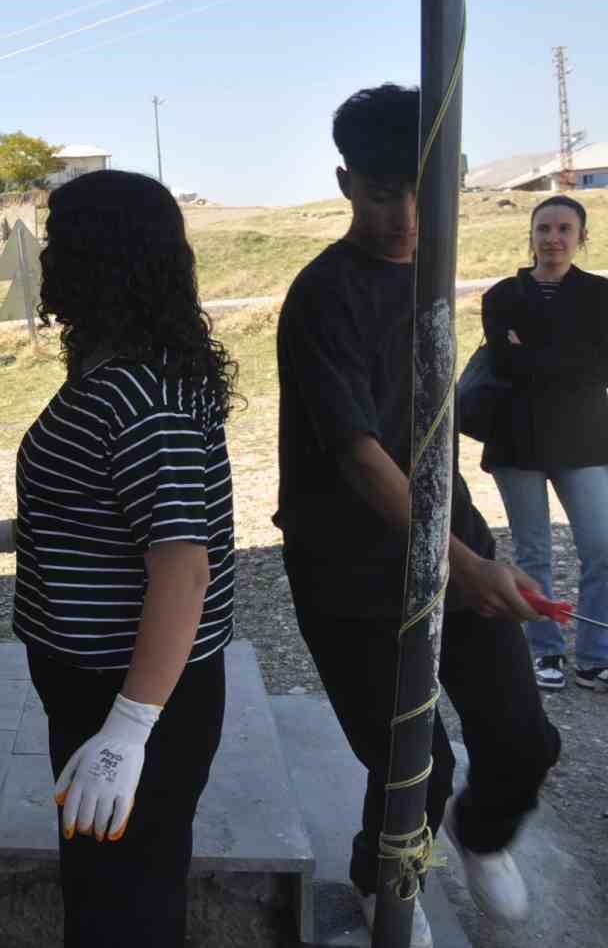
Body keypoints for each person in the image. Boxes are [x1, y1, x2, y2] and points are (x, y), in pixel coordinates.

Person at [0, 170, 236, 948]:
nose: (46, 260)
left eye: (59, 243)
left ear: (100, 260)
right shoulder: (139, 372)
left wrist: (128, 731)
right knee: (115, 891)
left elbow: (182, 568)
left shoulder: (138, 396)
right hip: (112, 693)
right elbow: (112, 512)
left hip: (133, 695)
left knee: (122, 910)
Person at [276, 83, 560, 945]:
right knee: (412, 766)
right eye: (383, 192)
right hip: (348, 560)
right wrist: (464, 567)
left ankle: (479, 840)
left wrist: (470, 555)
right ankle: (382, 884)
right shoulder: (322, 296)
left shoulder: (438, 281)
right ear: (345, 184)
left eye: (423, 191)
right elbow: (362, 455)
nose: (405, 216)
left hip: (452, 527)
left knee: (523, 740)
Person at [479, 195, 608, 691]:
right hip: (518, 443)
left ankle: (594, 656)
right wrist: (561, 358)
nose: (553, 237)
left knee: (600, 549)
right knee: (534, 554)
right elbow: (504, 365)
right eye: (544, 228)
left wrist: (532, 354)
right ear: (530, 235)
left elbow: (598, 367)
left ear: (581, 237)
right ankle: (546, 651)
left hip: (585, 441)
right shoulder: (501, 296)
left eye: (564, 228)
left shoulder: (600, 294)